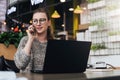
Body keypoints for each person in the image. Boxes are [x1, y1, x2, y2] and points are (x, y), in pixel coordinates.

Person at [14, 8, 54, 73]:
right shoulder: (25, 40)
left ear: (49, 22)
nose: (38, 23)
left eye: (42, 20)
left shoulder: (54, 44)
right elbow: (20, 64)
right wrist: (30, 39)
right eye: (35, 21)